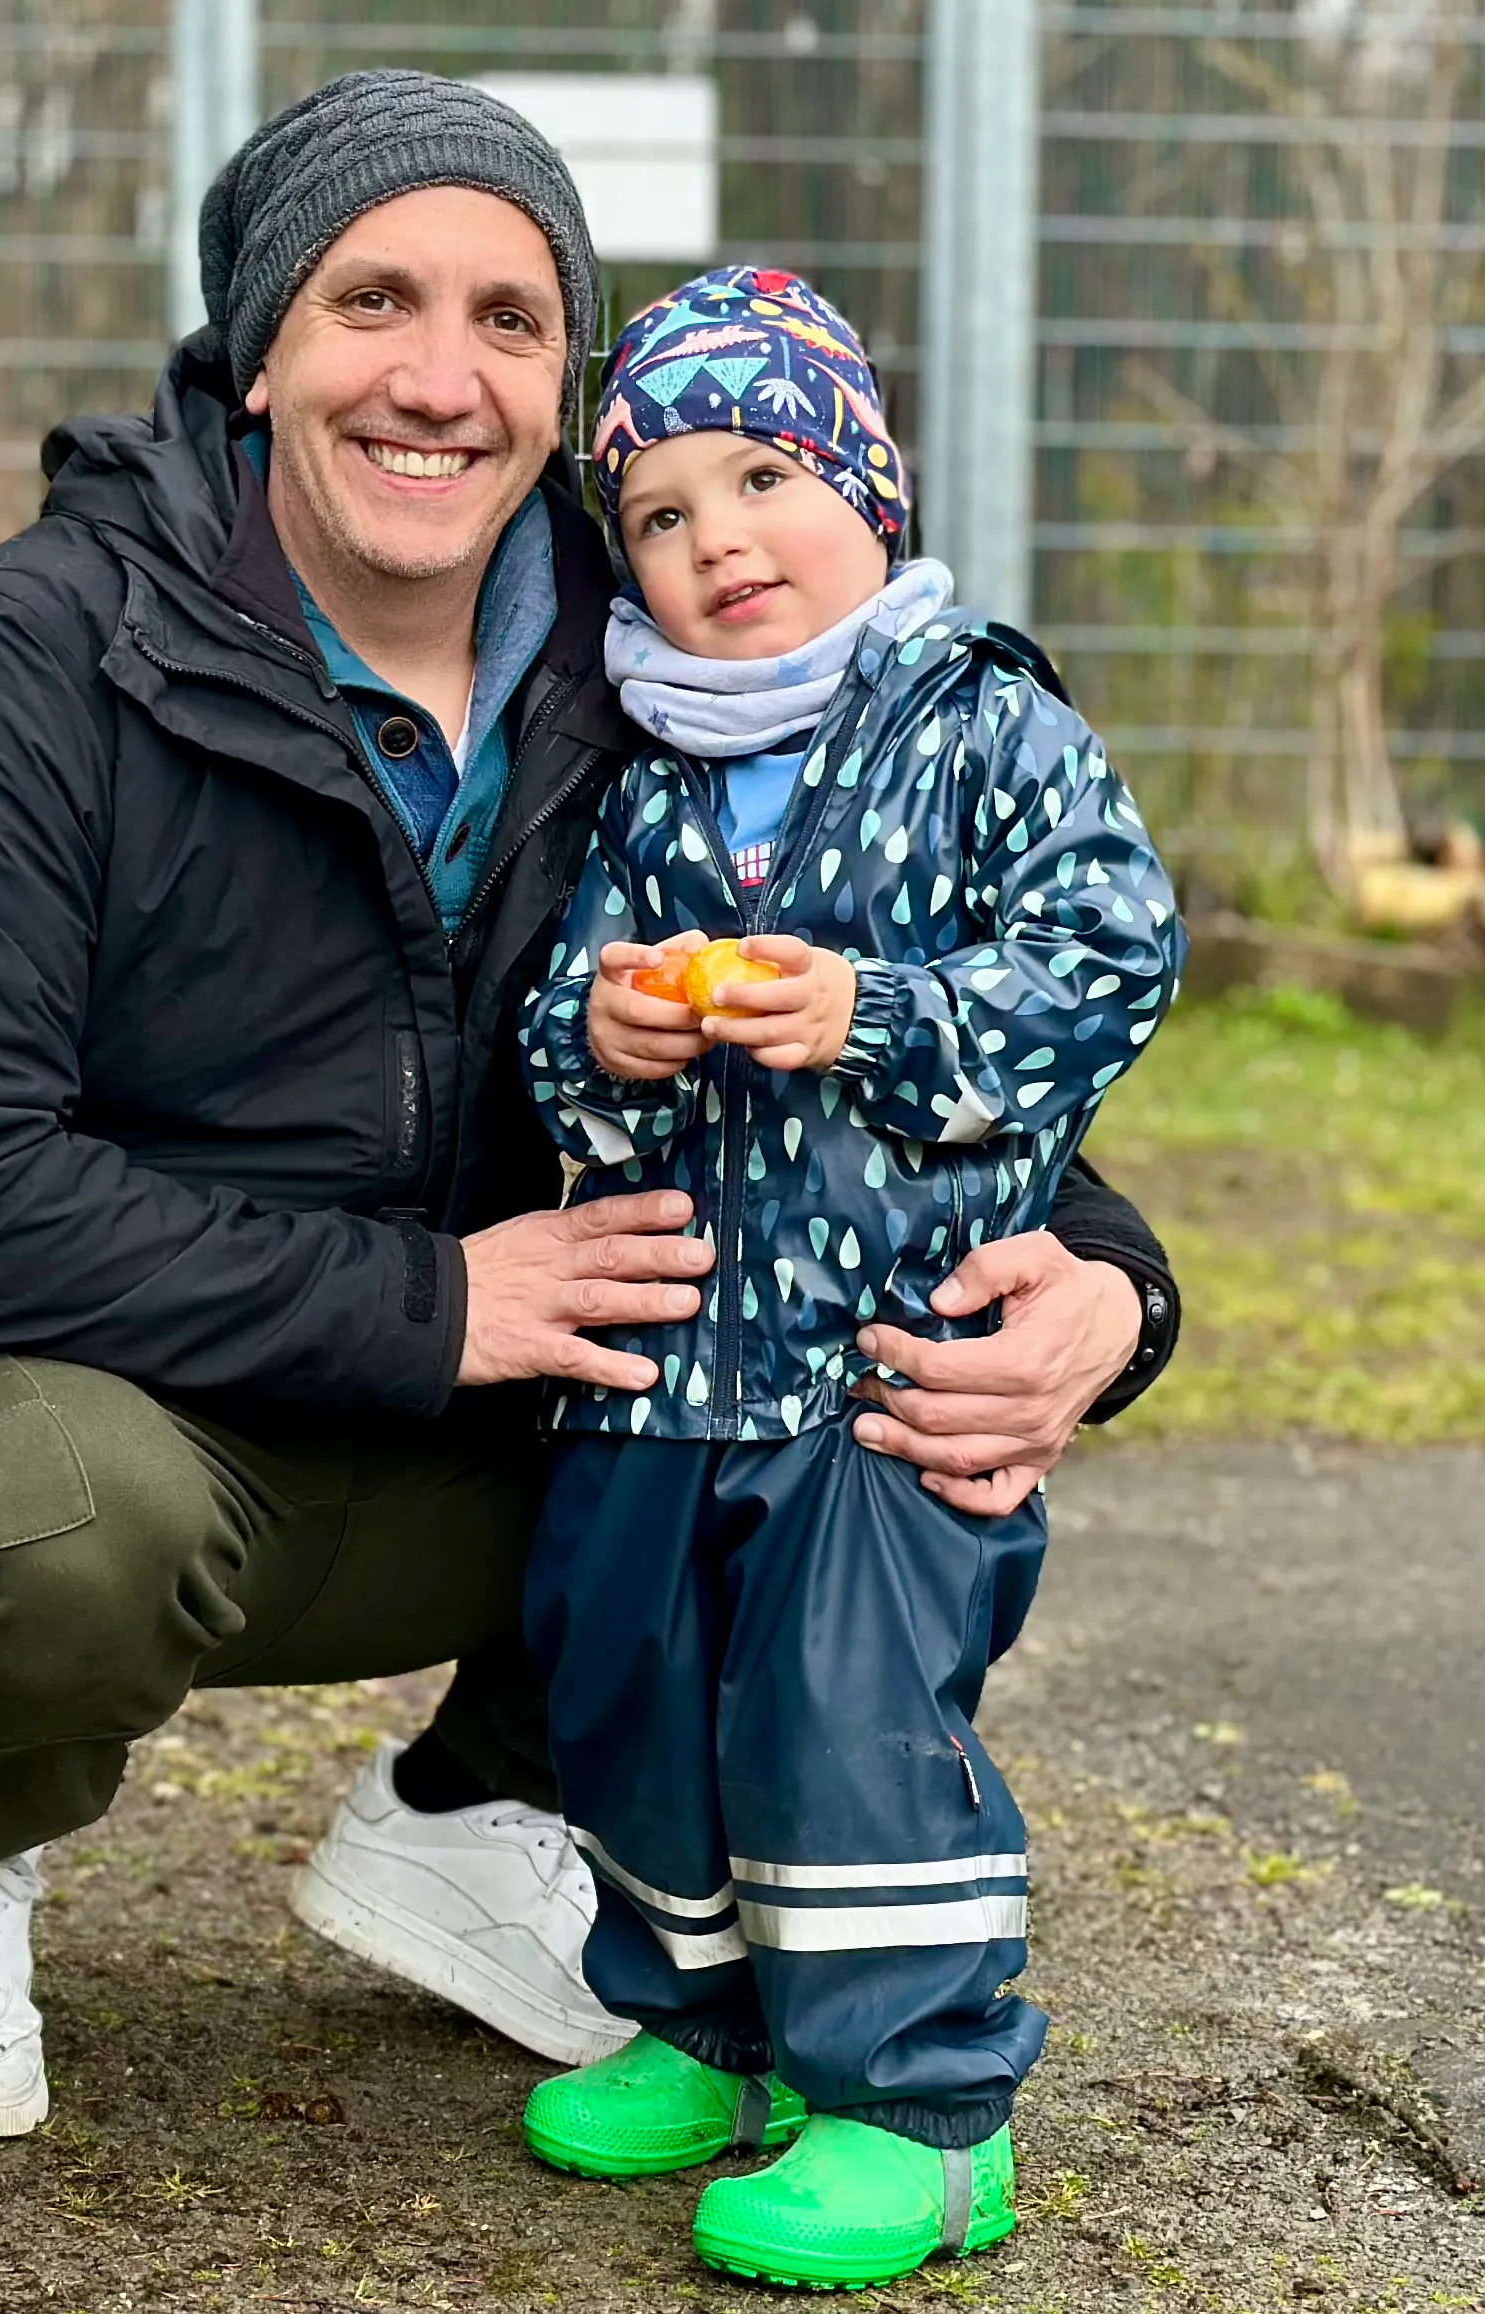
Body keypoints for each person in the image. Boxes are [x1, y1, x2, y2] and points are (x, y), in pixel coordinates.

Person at [0, 74, 1186, 2145]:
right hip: (55, 1383)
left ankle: (480, 1808)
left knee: (779, 1420)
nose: (440, 379)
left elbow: (821, 1053)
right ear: (260, 356)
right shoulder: (38, 654)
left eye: (510, 320)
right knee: (49, 1527)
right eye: (371, 304)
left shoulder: (661, 664)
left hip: (454, 1420)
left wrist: (1114, 1294)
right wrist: (437, 1305)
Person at [506, 266, 1186, 2288]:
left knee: (843, 1707)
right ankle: (711, 2030)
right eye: (661, 513)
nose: (720, 540)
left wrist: (874, 1010)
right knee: (631, 1680)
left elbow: (1112, 955)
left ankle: (915, 2107)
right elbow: (559, 1022)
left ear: (869, 486)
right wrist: (601, 1039)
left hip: (884, 1352)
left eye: (768, 477)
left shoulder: (981, 721)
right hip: (660, 1355)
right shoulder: (649, 781)